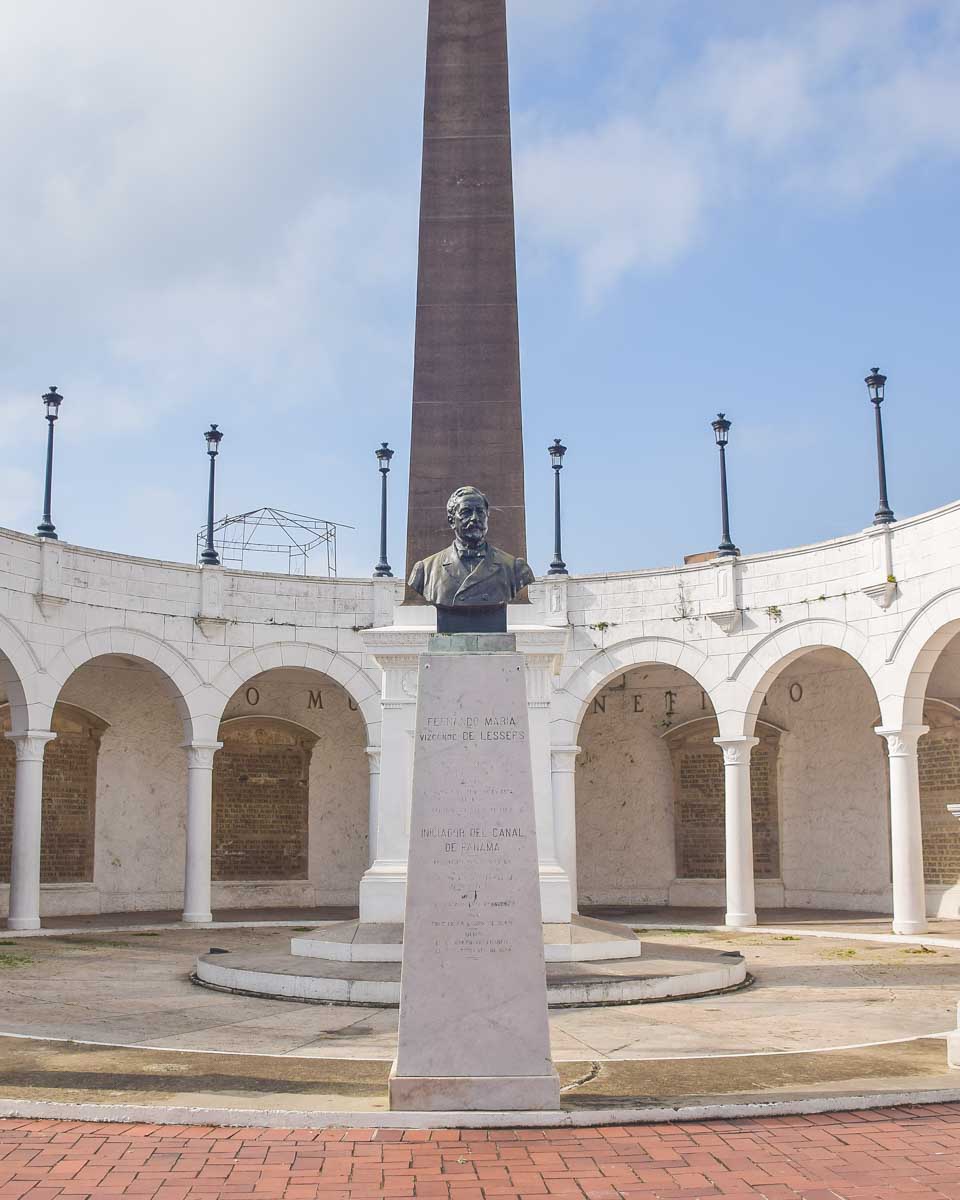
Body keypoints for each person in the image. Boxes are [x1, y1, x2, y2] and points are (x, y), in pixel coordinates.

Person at [408, 485, 534, 610]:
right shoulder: (425, 571)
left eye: (480, 512)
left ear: (487, 517)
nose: (475, 518)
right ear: (452, 521)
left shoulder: (515, 569)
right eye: (466, 512)